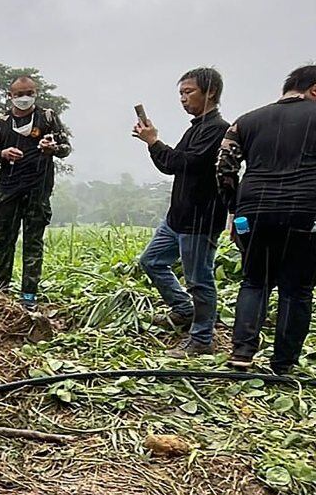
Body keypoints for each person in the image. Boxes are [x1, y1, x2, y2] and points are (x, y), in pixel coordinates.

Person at [217, 65, 316, 375]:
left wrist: (234, 210)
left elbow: (224, 168)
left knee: (255, 281)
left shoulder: (246, 121)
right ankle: (283, 365)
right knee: (296, 289)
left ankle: (242, 354)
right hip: (306, 214)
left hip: (253, 212)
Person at [132, 68, 230, 357]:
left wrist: (153, 141)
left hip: (200, 219)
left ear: (210, 91)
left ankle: (201, 339)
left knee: (199, 279)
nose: (183, 99)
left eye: (189, 92)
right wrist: (154, 144)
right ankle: (184, 310)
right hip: (178, 217)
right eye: (181, 94)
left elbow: (184, 163)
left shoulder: (217, 129)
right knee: (151, 261)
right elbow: (170, 164)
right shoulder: (196, 127)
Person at [0, 76, 72, 310]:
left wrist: (51, 148)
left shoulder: (47, 118)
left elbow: (66, 148)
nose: (24, 98)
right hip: (9, 189)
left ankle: (29, 295)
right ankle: (0, 290)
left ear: (36, 93)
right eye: (19, 94)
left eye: (29, 93)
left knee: (33, 242)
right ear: (10, 96)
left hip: (39, 189)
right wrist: (4, 153)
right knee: (4, 241)